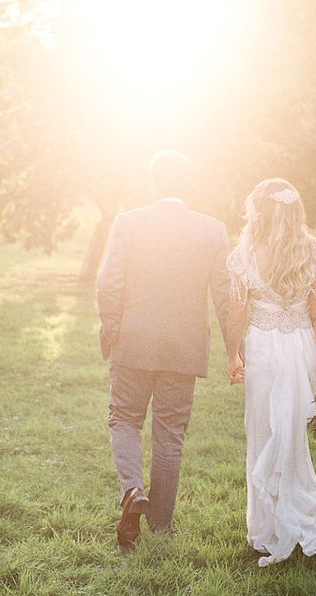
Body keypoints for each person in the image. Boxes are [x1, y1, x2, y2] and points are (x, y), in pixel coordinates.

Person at [96, 150, 239, 550]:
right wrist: (235, 351)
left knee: (123, 418)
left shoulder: (128, 222)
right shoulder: (212, 230)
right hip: (184, 346)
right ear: (186, 185)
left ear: (153, 183)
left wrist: (111, 328)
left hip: (133, 340)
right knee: (170, 434)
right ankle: (160, 525)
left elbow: (109, 283)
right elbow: (225, 296)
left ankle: (131, 490)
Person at [225, 178, 316, 567]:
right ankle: (294, 521)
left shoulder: (244, 254)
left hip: (262, 348)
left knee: (263, 432)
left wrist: (233, 356)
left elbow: (235, 314)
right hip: (301, 350)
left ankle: (269, 531)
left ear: (257, 210)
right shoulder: (310, 250)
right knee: (291, 435)